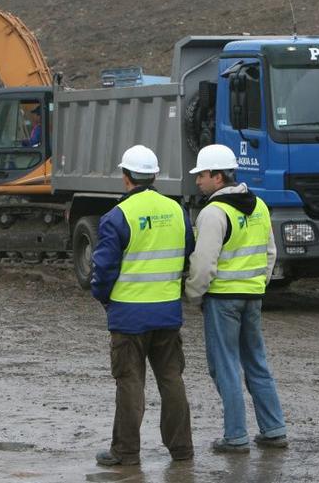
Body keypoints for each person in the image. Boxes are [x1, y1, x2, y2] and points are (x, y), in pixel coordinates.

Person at [91, 144, 195, 466]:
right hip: (166, 312)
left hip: (128, 316)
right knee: (171, 379)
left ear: (126, 178)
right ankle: (182, 450)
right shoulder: (177, 211)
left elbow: (104, 269)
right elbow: (186, 253)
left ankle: (125, 452)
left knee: (129, 382)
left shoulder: (117, 217)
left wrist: (104, 297)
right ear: (155, 176)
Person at [184, 144, 288, 453]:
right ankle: (273, 429)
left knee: (225, 366)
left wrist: (193, 294)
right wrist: (258, 284)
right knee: (256, 362)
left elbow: (203, 264)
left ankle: (235, 436)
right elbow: (271, 253)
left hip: (222, 300)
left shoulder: (213, 213)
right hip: (252, 296)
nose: (198, 181)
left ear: (217, 176)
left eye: (201, 175)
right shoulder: (259, 206)